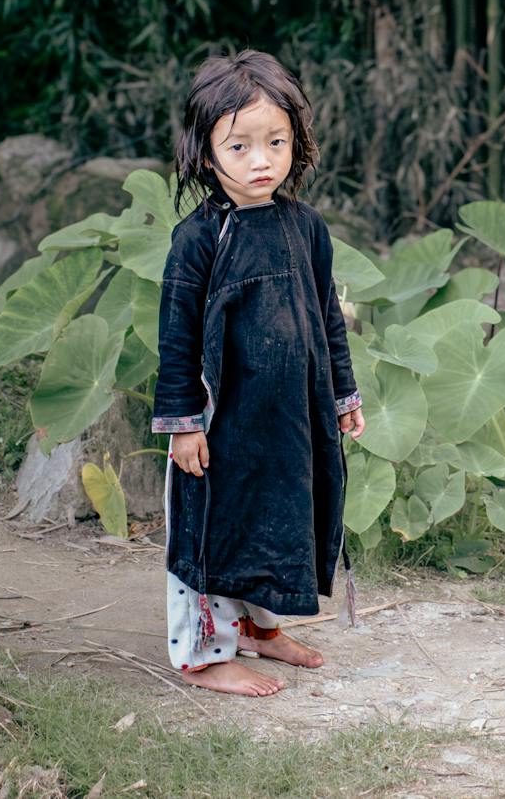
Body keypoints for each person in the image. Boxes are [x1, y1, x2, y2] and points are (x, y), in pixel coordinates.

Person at [152, 49, 366, 696]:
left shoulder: (307, 228)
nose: (261, 160)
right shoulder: (199, 239)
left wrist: (341, 393)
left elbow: (326, 315)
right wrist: (184, 422)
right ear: (205, 151)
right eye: (239, 146)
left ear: (296, 141)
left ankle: (259, 627)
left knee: (282, 516)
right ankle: (205, 652)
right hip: (221, 421)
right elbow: (178, 335)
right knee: (215, 524)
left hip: (288, 416)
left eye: (275, 141)